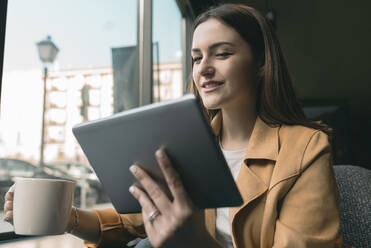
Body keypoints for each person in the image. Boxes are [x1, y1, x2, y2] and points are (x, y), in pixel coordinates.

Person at [4, 3, 344, 248]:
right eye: (197, 58)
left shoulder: (306, 148)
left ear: (259, 64)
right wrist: (68, 218)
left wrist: (196, 243)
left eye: (221, 54)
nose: (203, 69)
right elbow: (133, 221)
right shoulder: (185, 144)